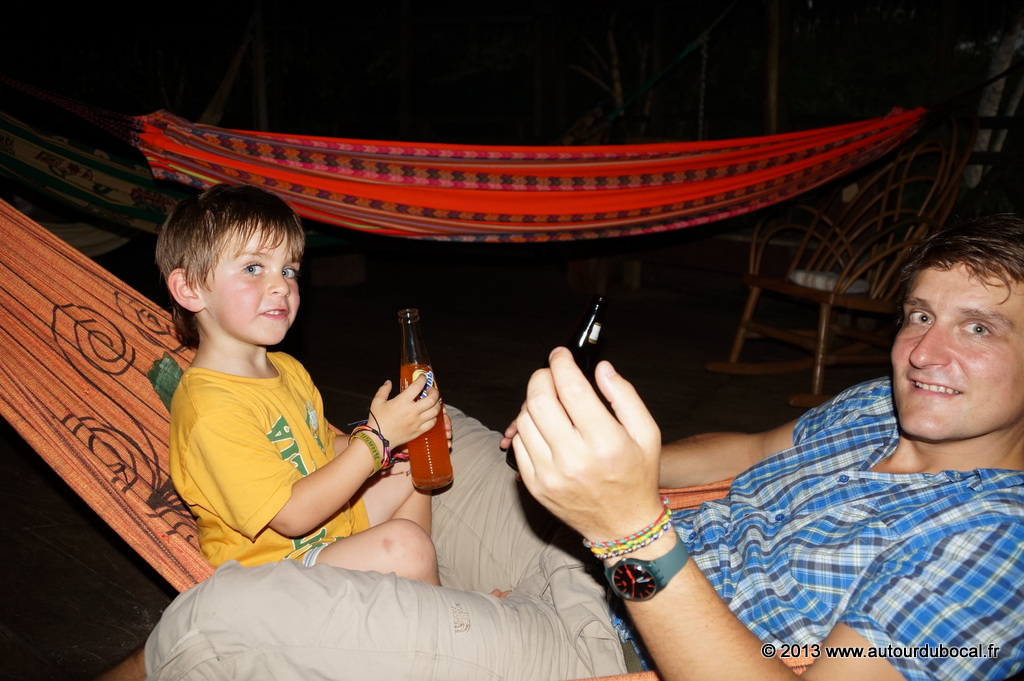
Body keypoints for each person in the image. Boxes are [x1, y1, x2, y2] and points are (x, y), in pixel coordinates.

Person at [100, 213, 1023, 681]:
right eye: (920, 315)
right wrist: (598, 460)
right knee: (438, 436)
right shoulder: (876, 409)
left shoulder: (996, 541)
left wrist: (631, 529)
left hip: (612, 646)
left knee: (217, 621)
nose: (924, 353)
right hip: (593, 554)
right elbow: (750, 445)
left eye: (978, 328)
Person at [154, 184, 444, 583]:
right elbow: (291, 516)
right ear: (189, 289)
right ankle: (440, 610)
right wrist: (377, 441)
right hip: (275, 576)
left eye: (288, 270)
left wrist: (395, 440)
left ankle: (420, 593)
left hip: (327, 537)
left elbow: (323, 448)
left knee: (412, 473)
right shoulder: (211, 409)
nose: (281, 286)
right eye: (254, 268)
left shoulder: (286, 369)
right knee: (404, 545)